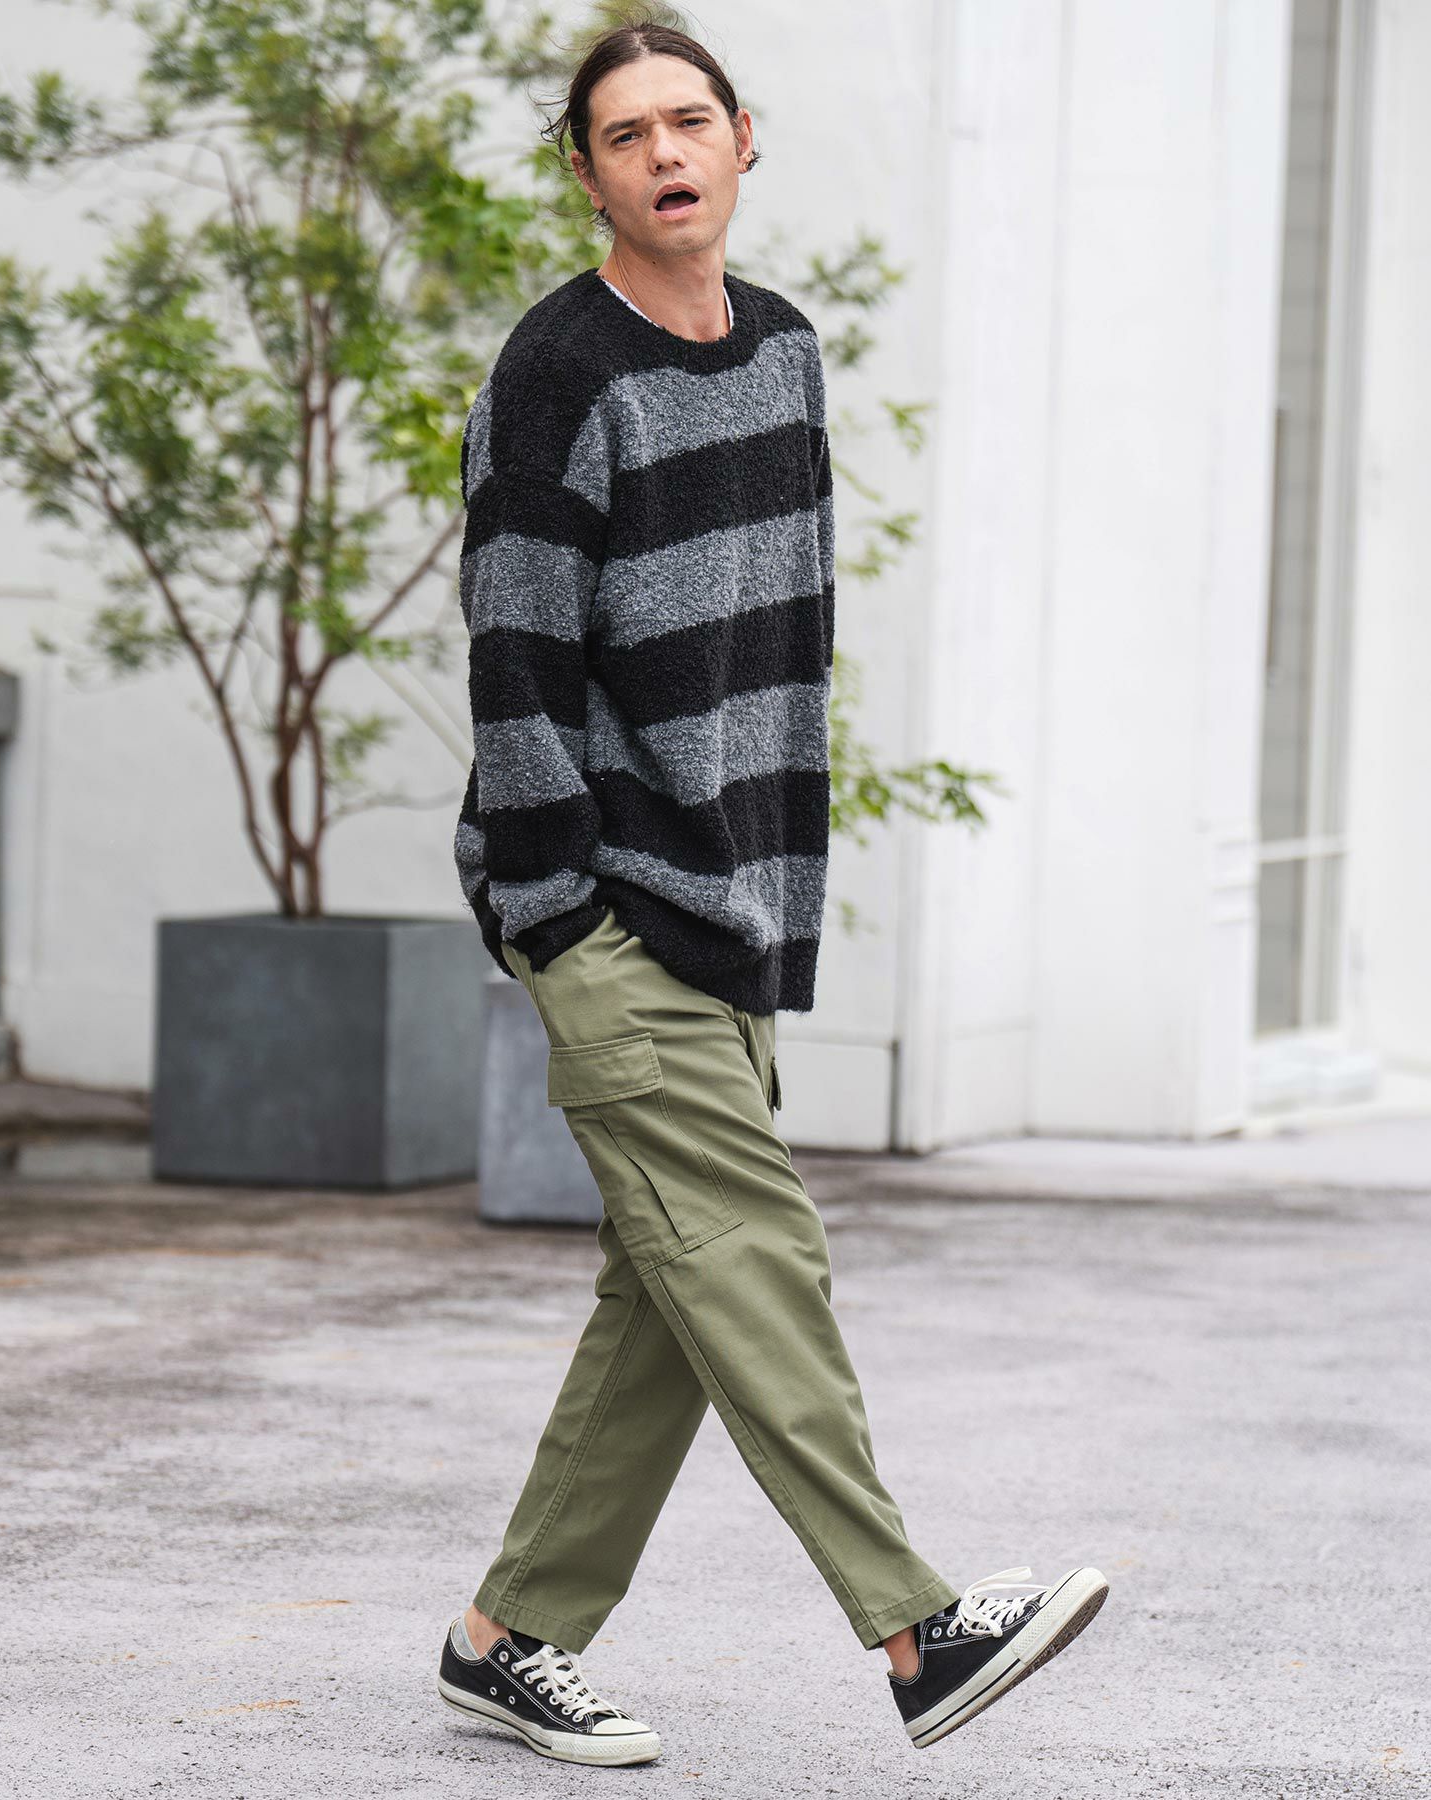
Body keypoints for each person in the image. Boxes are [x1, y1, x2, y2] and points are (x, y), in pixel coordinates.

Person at [436, 15, 1108, 1768]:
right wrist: (556, 908)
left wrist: (770, 905)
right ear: (585, 172)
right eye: (625, 133)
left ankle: (509, 1638)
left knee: (670, 1296)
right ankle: (916, 1630)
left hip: (726, 901)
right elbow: (515, 666)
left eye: (690, 121)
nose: (664, 153)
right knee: (754, 1252)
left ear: (745, 139)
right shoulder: (556, 376)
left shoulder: (784, 350)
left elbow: (787, 652)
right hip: (602, 898)